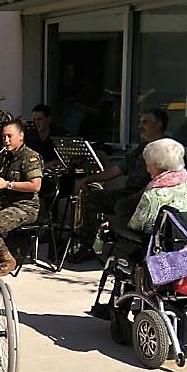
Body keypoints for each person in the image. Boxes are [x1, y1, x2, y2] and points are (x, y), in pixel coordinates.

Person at [71, 107, 169, 262]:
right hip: (128, 194)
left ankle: (132, 250)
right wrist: (87, 180)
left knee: (123, 206)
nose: (140, 127)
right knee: (92, 198)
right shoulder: (141, 148)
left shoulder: (168, 149)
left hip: (150, 199)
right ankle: (89, 246)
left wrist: (136, 198)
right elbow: (116, 170)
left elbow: (164, 182)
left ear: (158, 125)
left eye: (145, 122)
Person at [0, 118, 43, 276]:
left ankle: (7, 260)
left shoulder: (30, 157)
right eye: (4, 136)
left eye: (9, 136)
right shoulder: (6, 157)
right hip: (9, 203)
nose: (6, 140)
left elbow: (35, 185)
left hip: (26, 207)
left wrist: (7, 184)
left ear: (21, 136)